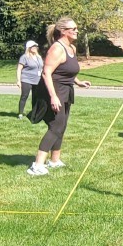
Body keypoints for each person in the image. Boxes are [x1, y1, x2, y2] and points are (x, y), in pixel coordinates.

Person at [28, 17, 92, 176]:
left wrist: (78, 82)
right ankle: (37, 165)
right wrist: (53, 97)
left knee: (61, 126)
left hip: (66, 91)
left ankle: (54, 160)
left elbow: (66, 70)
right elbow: (46, 73)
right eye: (73, 28)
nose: (77, 31)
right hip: (53, 90)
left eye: (77, 28)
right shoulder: (57, 48)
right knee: (55, 126)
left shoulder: (72, 48)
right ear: (63, 31)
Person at [16, 40, 43, 118]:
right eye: (33, 47)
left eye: (36, 46)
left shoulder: (39, 57)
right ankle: (20, 113)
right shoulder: (24, 57)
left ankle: (34, 114)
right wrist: (18, 80)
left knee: (36, 97)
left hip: (37, 80)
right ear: (29, 48)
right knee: (24, 96)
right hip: (26, 79)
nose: (35, 48)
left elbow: (41, 67)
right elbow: (19, 69)